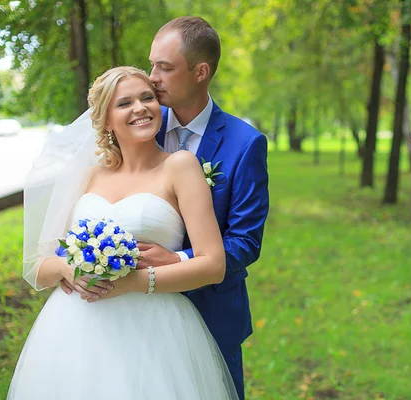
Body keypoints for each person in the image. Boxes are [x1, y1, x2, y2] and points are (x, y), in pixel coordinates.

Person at [61, 16, 269, 399]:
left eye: (165, 68)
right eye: (152, 64)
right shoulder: (141, 118)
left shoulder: (244, 144)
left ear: (200, 71)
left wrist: (176, 258)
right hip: (114, 314)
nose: (152, 78)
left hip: (210, 307)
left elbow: (245, 241)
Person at [8, 66, 239, 399]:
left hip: (155, 330)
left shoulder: (180, 166)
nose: (140, 108)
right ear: (105, 119)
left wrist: (134, 282)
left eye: (147, 98)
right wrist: (67, 268)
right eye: (125, 103)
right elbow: (39, 267)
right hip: (73, 332)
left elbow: (213, 264)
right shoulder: (85, 177)